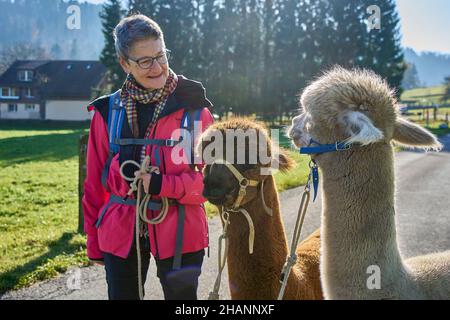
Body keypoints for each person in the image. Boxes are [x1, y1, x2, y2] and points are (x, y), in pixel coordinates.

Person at [82, 14, 214, 300]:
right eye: (144, 61)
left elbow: (212, 182)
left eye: (160, 55)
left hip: (182, 231)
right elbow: (93, 184)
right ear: (123, 63)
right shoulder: (107, 113)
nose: (157, 67)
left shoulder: (195, 110)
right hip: (119, 233)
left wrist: (161, 185)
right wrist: (93, 242)